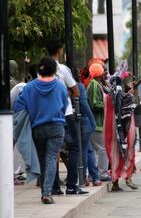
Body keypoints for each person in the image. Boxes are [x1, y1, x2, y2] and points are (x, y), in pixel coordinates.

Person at [13, 57, 68, 204]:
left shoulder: (29, 87)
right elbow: (64, 105)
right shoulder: (60, 86)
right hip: (56, 126)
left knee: (43, 160)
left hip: (37, 128)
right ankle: (47, 193)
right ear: (54, 70)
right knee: (51, 158)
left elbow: (18, 106)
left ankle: (45, 189)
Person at [46, 39, 88, 195]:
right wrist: (68, 92)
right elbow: (76, 90)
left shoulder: (41, 70)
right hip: (66, 114)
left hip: (49, 115)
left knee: (53, 152)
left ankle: (55, 187)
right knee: (74, 147)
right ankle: (71, 186)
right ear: (59, 50)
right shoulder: (62, 69)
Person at [104, 75, 138, 191]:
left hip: (110, 131)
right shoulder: (128, 97)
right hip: (127, 131)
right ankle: (128, 178)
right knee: (129, 153)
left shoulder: (107, 97)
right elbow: (131, 113)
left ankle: (115, 182)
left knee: (114, 155)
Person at [86, 62, 111, 182]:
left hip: (95, 123)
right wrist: (107, 105)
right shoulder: (94, 85)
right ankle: (102, 173)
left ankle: (93, 174)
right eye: (103, 72)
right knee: (102, 148)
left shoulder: (96, 84)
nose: (104, 74)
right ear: (99, 73)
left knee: (95, 149)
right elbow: (95, 104)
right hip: (97, 123)